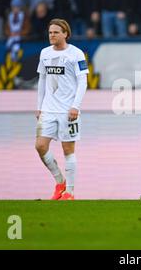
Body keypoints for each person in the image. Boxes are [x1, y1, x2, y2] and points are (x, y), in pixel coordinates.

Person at [35, 19, 89, 200]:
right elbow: (42, 80)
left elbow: (83, 81)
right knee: (40, 146)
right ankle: (60, 182)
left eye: (56, 32)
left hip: (68, 111)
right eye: (50, 32)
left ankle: (70, 192)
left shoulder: (76, 54)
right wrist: (39, 106)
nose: (52, 35)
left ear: (65, 33)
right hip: (48, 110)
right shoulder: (45, 53)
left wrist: (76, 106)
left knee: (68, 150)